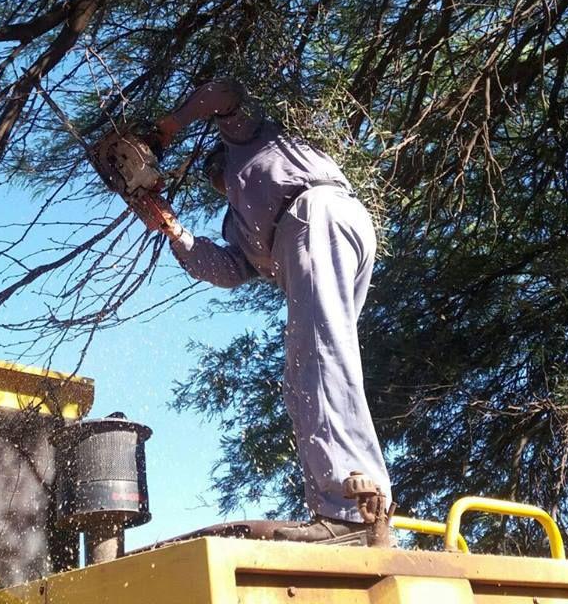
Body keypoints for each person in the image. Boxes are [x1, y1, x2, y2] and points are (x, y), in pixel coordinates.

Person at [131, 79, 391, 542]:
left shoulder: (248, 137)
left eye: (216, 174)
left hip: (317, 215)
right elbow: (228, 269)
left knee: (319, 359)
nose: (218, 183)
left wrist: (165, 129)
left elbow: (224, 93)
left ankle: (348, 511)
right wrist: (171, 228)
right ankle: (356, 502)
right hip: (320, 230)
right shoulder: (240, 223)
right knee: (310, 371)